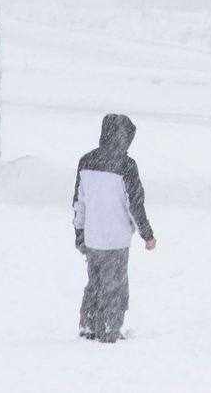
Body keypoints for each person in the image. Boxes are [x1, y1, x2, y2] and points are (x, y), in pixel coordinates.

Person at [72, 114, 156, 343]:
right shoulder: (127, 166)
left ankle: (89, 325)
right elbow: (135, 205)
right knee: (115, 286)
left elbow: (79, 203)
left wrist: (79, 233)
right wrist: (147, 235)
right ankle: (109, 328)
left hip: (92, 237)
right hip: (116, 239)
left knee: (94, 283)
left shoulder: (86, 161)